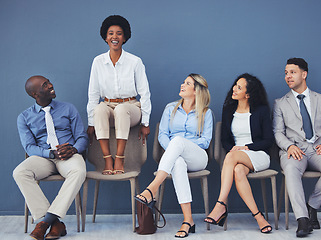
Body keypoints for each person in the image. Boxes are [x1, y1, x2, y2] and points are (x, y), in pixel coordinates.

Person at [135, 74, 213, 238]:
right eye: (183, 82)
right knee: (177, 162)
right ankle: (188, 220)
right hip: (175, 156)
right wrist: (176, 149)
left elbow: (205, 141)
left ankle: (152, 188)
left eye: (187, 83)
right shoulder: (170, 108)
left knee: (177, 141)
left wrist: (182, 145)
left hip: (198, 157)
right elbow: (162, 134)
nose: (182, 84)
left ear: (196, 91)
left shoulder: (206, 112)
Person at [273, 58, 321, 237]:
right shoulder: (280, 103)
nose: (288, 76)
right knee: (290, 169)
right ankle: (302, 219)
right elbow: (278, 132)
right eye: (286, 73)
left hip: (319, 149)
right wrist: (288, 146)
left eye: (292, 72)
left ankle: (312, 206)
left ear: (304, 74)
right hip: (295, 150)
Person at [13, 76, 88, 240]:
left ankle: (45, 222)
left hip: (69, 155)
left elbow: (82, 137)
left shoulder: (68, 108)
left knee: (79, 171)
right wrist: (50, 153)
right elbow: (29, 147)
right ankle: (56, 224)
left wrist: (73, 148)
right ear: (35, 94)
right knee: (20, 172)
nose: (51, 85)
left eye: (49, 82)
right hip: (44, 157)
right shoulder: (24, 117)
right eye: (45, 85)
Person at [204, 73, 274, 234]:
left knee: (231, 156)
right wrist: (235, 149)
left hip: (258, 155)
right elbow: (225, 140)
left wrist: (246, 147)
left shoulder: (261, 111)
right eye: (235, 85)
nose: (234, 89)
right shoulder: (228, 110)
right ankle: (259, 217)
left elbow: (268, 140)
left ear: (248, 94)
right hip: (237, 158)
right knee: (237, 170)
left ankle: (220, 205)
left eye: (239, 87)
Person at [87, 15, 151, 175]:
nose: (114, 37)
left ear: (124, 37)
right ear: (105, 37)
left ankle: (120, 158)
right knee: (100, 109)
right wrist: (91, 122)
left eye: (119, 33)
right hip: (108, 105)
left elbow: (145, 93)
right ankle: (107, 159)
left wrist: (145, 123)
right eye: (110, 33)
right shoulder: (98, 62)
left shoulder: (135, 62)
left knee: (122, 109)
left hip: (131, 107)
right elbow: (93, 93)